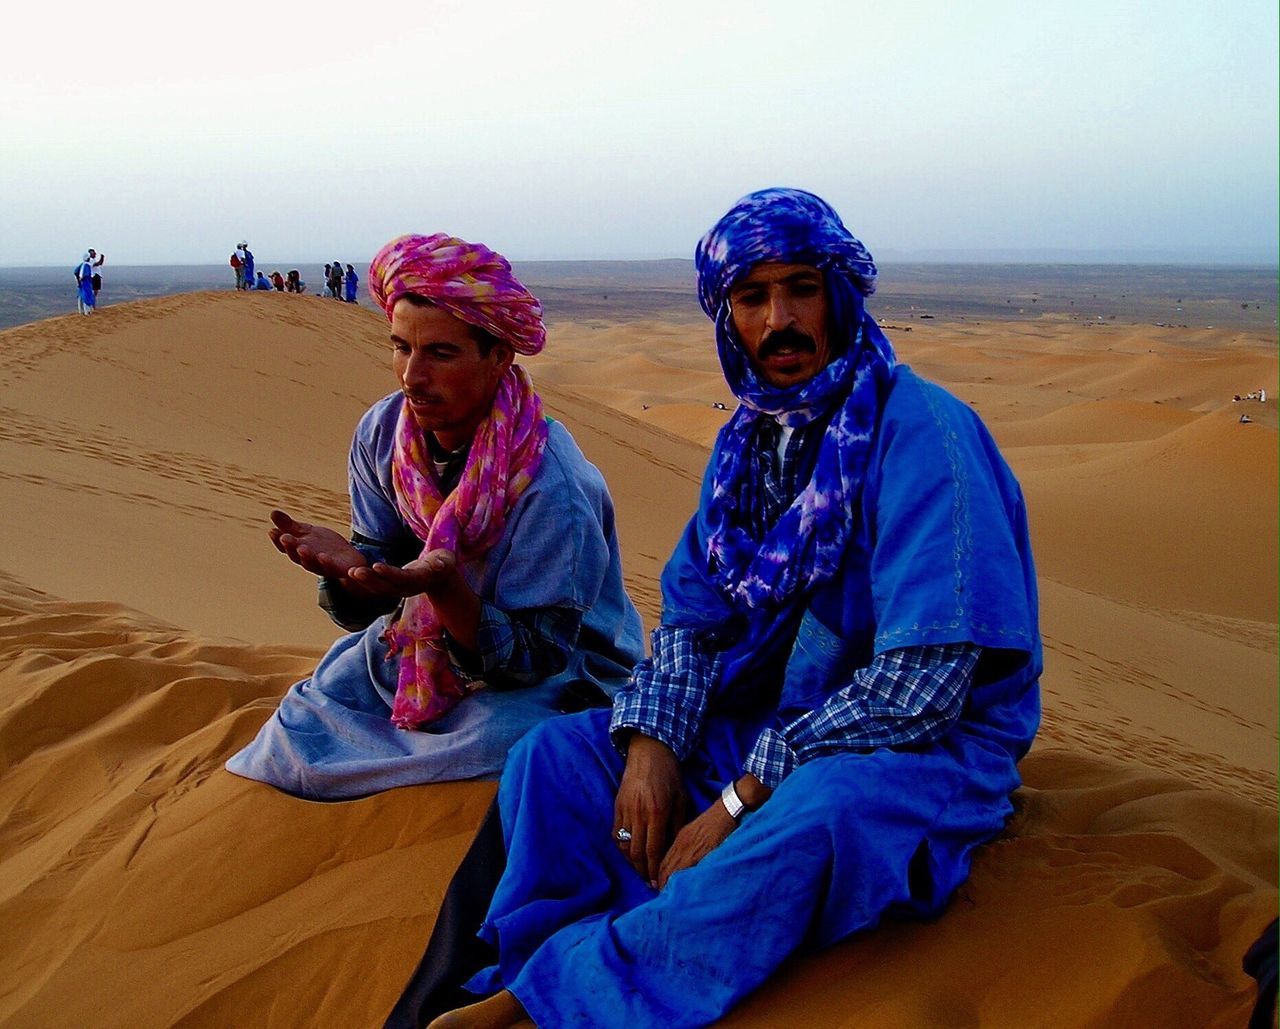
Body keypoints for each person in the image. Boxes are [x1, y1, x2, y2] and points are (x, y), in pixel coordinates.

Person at [419, 188, 1041, 1029]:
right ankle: (537, 957)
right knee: (552, 760)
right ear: (729, 318)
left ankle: (557, 1006)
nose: (779, 318)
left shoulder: (924, 432)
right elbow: (690, 621)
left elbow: (921, 687)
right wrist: (652, 746)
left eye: (801, 289)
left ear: (839, 296)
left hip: (913, 752)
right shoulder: (748, 443)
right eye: (752, 298)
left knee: (815, 823)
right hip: (760, 719)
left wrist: (742, 797)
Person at [226, 233, 645, 800]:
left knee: (518, 748)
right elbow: (388, 569)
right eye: (401, 348)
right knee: (298, 729)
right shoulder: (384, 434)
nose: (411, 376)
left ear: (499, 356)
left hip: (561, 669)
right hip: (417, 643)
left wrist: (448, 591)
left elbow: (538, 654)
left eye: (440, 354)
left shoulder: (553, 487)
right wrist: (354, 571)